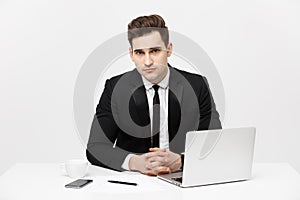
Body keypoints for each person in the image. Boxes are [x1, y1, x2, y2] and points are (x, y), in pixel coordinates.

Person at [86, 14, 222, 176]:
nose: (148, 61)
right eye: (140, 53)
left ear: (169, 49)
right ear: (131, 54)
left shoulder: (197, 85)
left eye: (155, 51)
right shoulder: (115, 87)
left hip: (183, 178)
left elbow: (215, 144)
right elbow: (95, 147)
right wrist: (135, 162)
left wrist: (181, 160)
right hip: (135, 182)